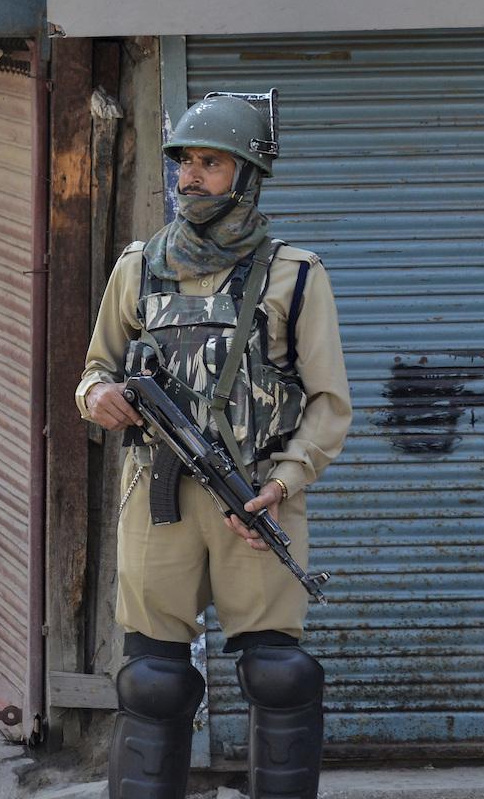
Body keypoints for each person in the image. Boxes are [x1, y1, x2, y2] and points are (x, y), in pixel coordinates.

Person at [77, 92, 351, 799]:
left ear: (248, 175)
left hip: (255, 494)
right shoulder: (138, 267)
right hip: (156, 501)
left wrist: (286, 481)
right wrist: (98, 398)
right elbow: (94, 371)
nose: (191, 178)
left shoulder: (294, 273)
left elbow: (329, 403)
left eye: (212, 164)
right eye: (185, 163)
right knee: (153, 680)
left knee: (279, 674)